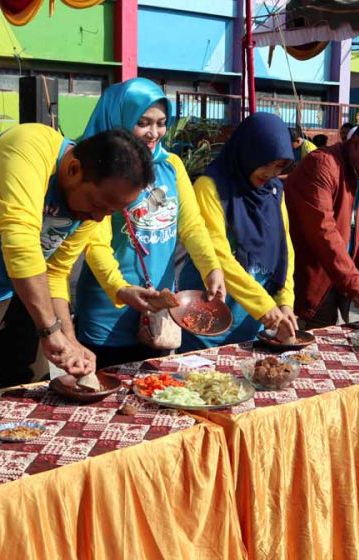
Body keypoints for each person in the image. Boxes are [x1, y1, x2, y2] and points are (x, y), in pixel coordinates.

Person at [0, 125, 154, 399]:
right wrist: (49, 329)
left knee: (33, 393)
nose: (99, 218)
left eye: (110, 212)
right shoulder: (29, 146)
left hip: (13, 294)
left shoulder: (94, 210)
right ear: (74, 169)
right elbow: (21, 243)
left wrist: (70, 340)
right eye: (99, 205)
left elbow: (56, 271)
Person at [73, 78, 224, 369]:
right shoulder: (100, 170)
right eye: (143, 123)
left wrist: (211, 267)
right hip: (108, 313)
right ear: (120, 117)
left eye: (161, 123)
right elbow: (96, 245)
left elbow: (191, 226)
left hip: (158, 312)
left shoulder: (171, 165)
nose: (154, 133)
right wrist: (120, 289)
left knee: (154, 394)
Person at [178, 112, 298, 348]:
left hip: (254, 319)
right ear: (247, 152)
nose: (271, 172)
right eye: (265, 163)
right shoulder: (210, 186)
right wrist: (264, 307)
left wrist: (285, 302)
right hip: (210, 313)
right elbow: (218, 255)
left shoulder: (274, 191)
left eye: (280, 166)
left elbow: (285, 250)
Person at [285, 112, 359, 328]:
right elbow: (324, 234)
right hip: (307, 282)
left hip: (341, 283)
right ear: (356, 143)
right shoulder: (321, 165)